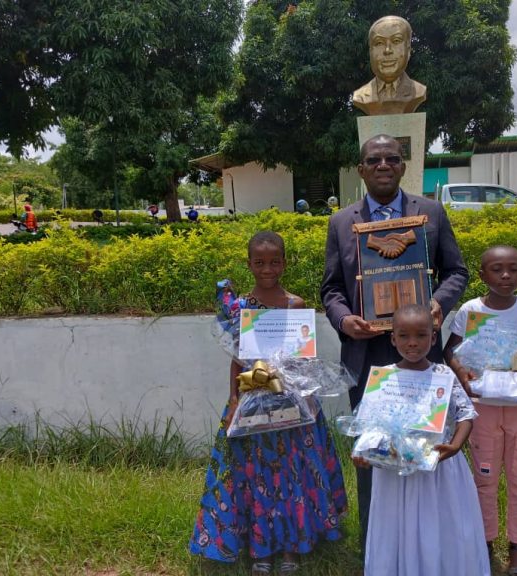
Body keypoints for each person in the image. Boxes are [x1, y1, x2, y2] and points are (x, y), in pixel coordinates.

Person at [320, 133, 469, 551]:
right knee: (372, 452)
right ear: (361, 169)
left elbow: (457, 272)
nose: (383, 165)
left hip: (422, 355)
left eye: (391, 158)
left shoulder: (432, 213)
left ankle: (426, 544)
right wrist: (345, 319)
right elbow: (331, 288)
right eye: (374, 159)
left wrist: (437, 305)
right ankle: (377, 545)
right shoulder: (340, 222)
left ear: (403, 166)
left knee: (426, 447)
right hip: (367, 355)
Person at [190, 231, 348, 576]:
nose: (267, 268)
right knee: (255, 474)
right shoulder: (240, 308)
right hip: (251, 400)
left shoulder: (297, 304)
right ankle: (261, 545)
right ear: (248, 264)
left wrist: (300, 389)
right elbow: (237, 358)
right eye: (259, 262)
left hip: (292, 399)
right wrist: (234, 399)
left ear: (284, 263)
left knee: (293, 473)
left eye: (274, 261)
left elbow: (306, 356)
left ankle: (292, 544)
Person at [443, 245, 517, 576]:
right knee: (485, 478)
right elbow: (451, 351)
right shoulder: (470, 310)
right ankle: (485, 543)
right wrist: (460, 370)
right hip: (484, 408)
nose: (505, 275)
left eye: (513, 269)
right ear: (482, 274)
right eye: (496, 269)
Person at [357, 304, 490, 576]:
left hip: (438, 469)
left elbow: (466, 415)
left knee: (438, 521)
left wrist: (455, 445)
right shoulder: (384, 378)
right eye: (404, 336)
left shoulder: (443, 375)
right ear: (393, 339)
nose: (412, 343)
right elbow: (369, 424)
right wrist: (364, 453)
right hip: (394, 472)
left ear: (433, 337)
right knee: (396, 523)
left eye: (421, 335)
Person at [352, 16, 427, 115]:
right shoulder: (360, 96)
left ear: (408, 49)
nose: (387, 50)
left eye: (396, 41)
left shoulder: (418, 91)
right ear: (370, 51)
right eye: (379, 43)